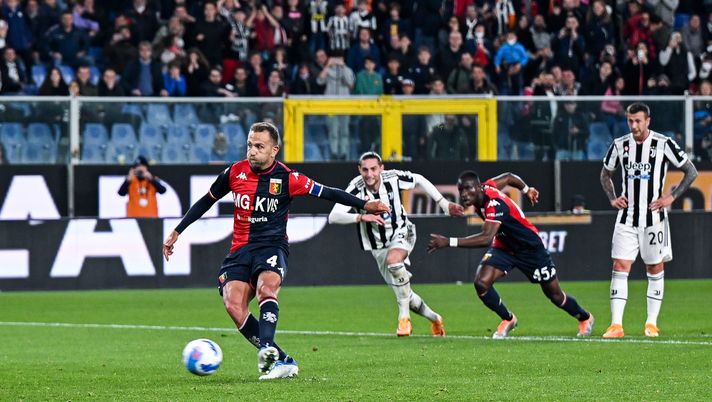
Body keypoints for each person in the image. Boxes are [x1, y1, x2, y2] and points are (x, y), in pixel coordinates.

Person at [162, 122, 390, 380]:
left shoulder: (289, 178)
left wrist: (364, 204)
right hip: (240, 250)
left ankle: (267, 348)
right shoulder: (234, 173)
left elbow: (328, 192)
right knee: (233, 304)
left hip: (271, 247)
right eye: (250, 145)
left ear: (274, 150)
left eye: (259, 146)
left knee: (265, 289)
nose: (252, 151)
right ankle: (283, 360)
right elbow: (206, 201)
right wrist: (178, 231)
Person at [427, 171, 595, 338]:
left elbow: (486, 238)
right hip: (505, 247)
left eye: (467, 189)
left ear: (478, 187)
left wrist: (448, 242)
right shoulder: (486, 189)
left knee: (555, 296)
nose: (463, 194)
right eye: (460, 190)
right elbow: (508, 177)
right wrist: (527, 190)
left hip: (530, 249)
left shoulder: (495, 204)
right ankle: (508, 319)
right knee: (481, 283)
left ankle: (585, 318)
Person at [328, 152, 464, 336]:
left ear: (381, 168)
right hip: (378, 246)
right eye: (365, 170)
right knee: (405, 294)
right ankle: (435, 319)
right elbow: (333, 217)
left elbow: (419, 179)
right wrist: (362, 216)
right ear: (359, 170)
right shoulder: (356, 187)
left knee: (394, 261)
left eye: (374, 169)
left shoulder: (393, 178)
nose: (370, 174)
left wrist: (444, 204)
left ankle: (403, 318)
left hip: (403, 231)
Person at [599, 102, 698, 338]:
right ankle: (616, 325)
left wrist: (671, 197)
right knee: (620, 266)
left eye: (638, 121)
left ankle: (651, 323)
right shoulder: (620, 145)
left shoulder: (663, 143)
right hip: (627, 217)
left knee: (654, 267)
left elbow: (691, 171)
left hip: (654, 217)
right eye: (630, 121)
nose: (633, 126)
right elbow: (605, 173)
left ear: (648, 121)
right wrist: (613, 198)